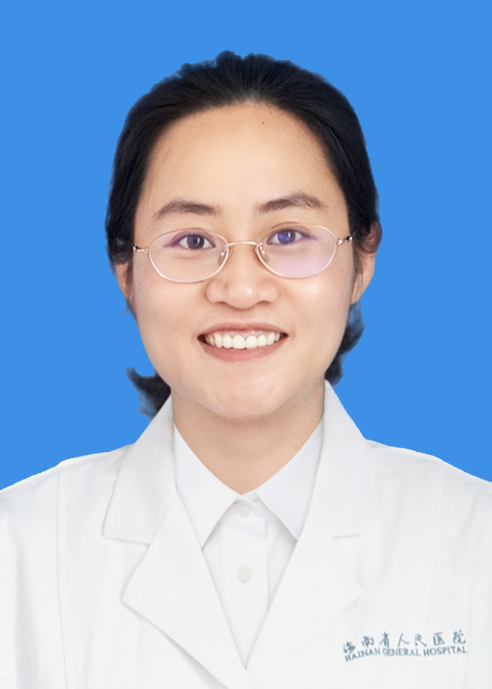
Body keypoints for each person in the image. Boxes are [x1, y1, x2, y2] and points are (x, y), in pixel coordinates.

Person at [1, 52, 491, 689]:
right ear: (126, 270)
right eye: (193, 241)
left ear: (362, 261)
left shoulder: (474, 542)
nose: (239, 288)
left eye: (287, 236)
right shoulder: (20, 552)